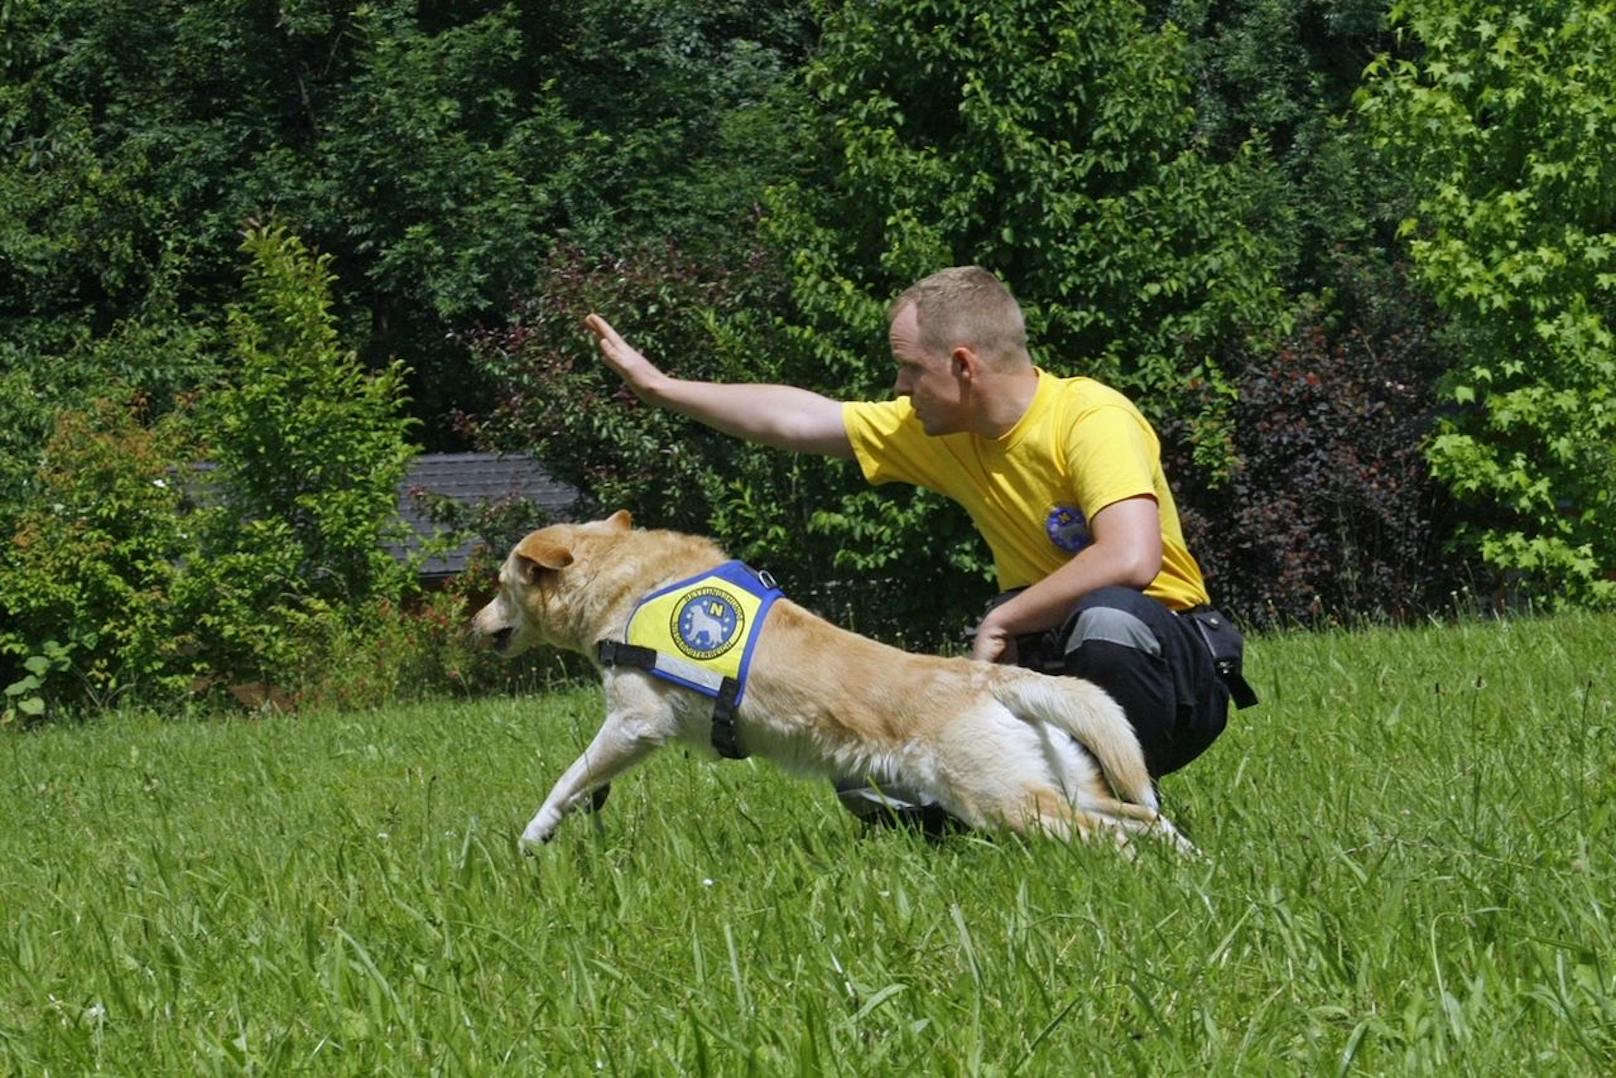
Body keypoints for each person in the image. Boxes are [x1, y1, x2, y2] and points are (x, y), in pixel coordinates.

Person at [584, 266, 1254, 827]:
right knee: (867, 775)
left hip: (1167, 667)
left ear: (962, 365)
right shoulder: (941, 429)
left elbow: (1131, 558)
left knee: (1105, 615)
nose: (899, 387)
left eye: (909, 368)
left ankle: (1130, 819)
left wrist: (1005, 617)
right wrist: (661, 387)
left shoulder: (1090, 418)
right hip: (1044, 665)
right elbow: (798, 418)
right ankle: (1027, 820)